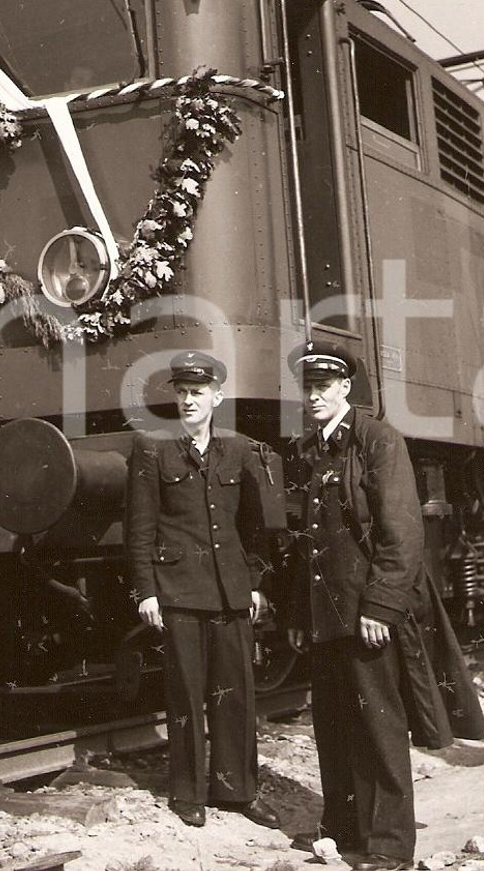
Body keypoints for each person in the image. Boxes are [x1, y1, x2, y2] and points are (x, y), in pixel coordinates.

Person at [285, 341, 484, 871]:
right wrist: (299, 617)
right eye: (307, 387)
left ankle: (390, 846)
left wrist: (381, 607)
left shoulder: (377, 440)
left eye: (323, 386)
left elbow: (402, 534)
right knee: (333, 726)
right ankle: (347, 828)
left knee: (379, 726)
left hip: (365, 612)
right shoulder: (313, 449)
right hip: (328, 615)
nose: (313, 396)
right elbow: (306, 544)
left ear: (346, 388)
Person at [125, 350, 280, 830]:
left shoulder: (238, 450)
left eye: (198, 393)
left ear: (217, 396)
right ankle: (188, 793)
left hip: (231, 592)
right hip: (179, 591)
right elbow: (140, 528)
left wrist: (255, 583)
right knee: (187, 695)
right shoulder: (152, 447)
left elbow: (253, 528)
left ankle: (238, 792)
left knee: (236, 694)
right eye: (182, 392)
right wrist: (146, 591)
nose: (189, 401)